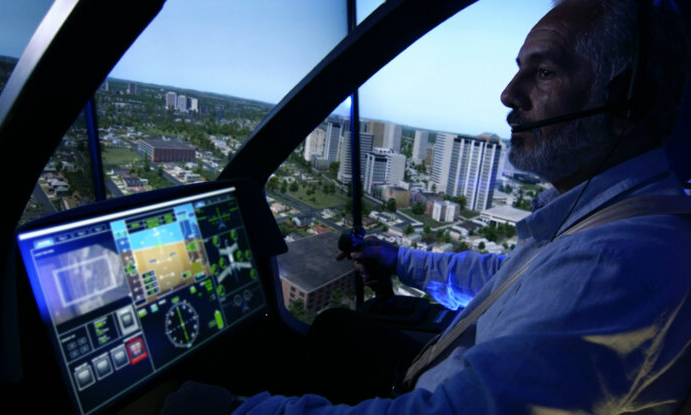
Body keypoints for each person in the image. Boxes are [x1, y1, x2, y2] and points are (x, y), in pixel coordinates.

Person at [160, 0, 691, 413]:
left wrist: (235, 413)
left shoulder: (611, 267)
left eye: (545, 72)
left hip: (429, 391)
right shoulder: (604, 222)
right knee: (336, 329)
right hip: (437, 370)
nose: (509, 94)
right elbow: (501, 276)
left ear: (627, 104)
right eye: (520, 71)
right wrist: (401, 259)